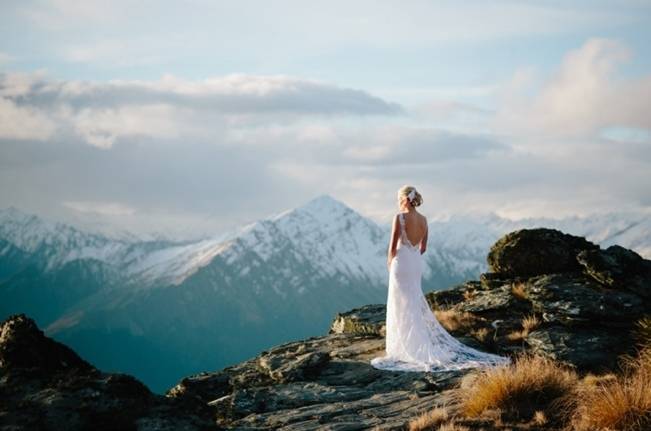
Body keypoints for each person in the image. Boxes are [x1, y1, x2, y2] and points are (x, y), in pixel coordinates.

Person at [370, 185, 510, 372]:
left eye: (398, 198)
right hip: (415, 263)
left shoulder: (400, 218)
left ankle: (404, 345)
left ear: (404, 199)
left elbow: (392, 247)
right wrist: (413, 255)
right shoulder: (424, 220)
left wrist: (390, 263)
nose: (397, 202)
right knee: (413, 300)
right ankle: (416, 341)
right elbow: (423, 248)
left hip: (401, 262)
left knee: (400, 302)